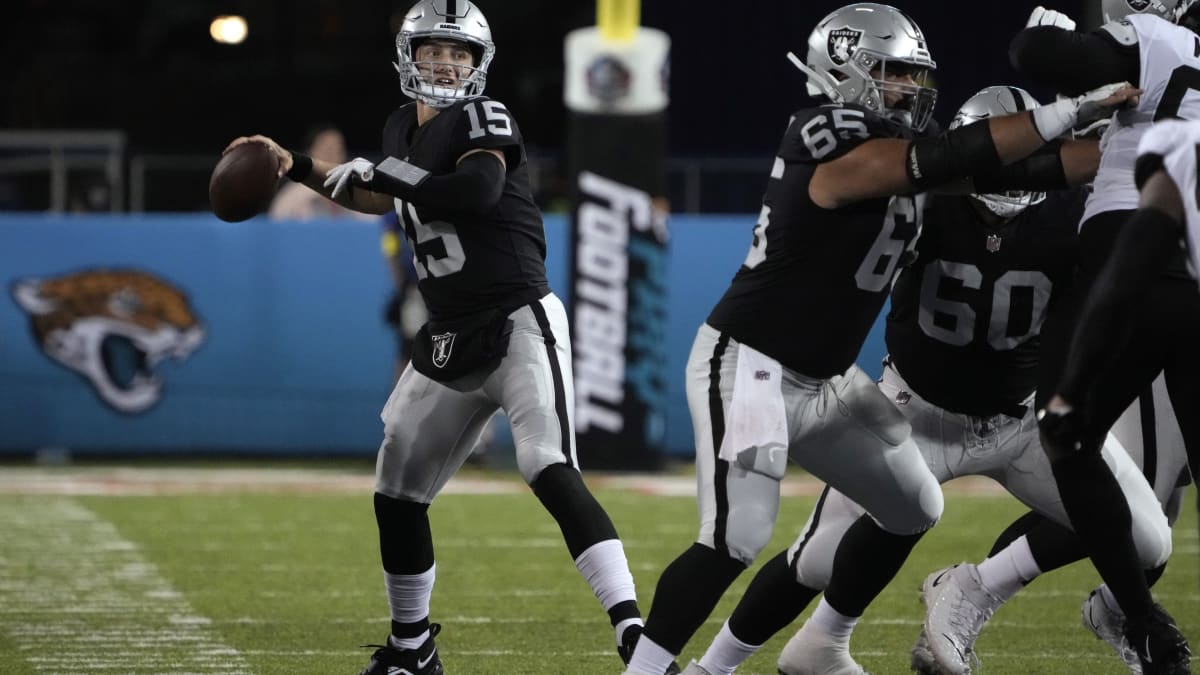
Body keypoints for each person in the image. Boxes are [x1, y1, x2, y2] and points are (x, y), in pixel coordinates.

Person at [622, 4, 1139, 674]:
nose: (911, 89)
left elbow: (1024, 171)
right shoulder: (823, 130)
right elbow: (946, 155)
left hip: (827, 382)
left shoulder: (901, 154)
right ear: (845, 66)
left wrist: (1130, 142)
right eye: (894, 72)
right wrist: (1064, 111)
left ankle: (822, 648)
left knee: (914, 503)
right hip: (751, 368)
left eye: (914, 74)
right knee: (735, 536)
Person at [224, 2, 651, 673]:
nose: (447, 63)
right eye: (434, 50)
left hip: (516, 322)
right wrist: (297, 165)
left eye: (460, 52)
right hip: (449, 333)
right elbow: (377, 195)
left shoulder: (486, 116)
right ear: (408, 56)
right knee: (396, 485)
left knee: (547, 465)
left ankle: (635, 634)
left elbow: (476, 190)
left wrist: (384, 173)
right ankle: (412, 647)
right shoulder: (401, 127)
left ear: (480, 64)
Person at [1010, 3, 1200, 670]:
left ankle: (1140, 619)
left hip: (1141, 248)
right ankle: (1136, 619)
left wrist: (1054, 32)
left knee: (1068, 430)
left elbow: (1038, 56)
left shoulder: (1162, 39)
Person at [268, 125, 366, 220]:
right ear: (310, 152)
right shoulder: (292, 196)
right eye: (327, 150)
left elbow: (374, 226)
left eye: (338, 150)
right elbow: (276, 227)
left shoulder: (358, 193)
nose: (332, 156)